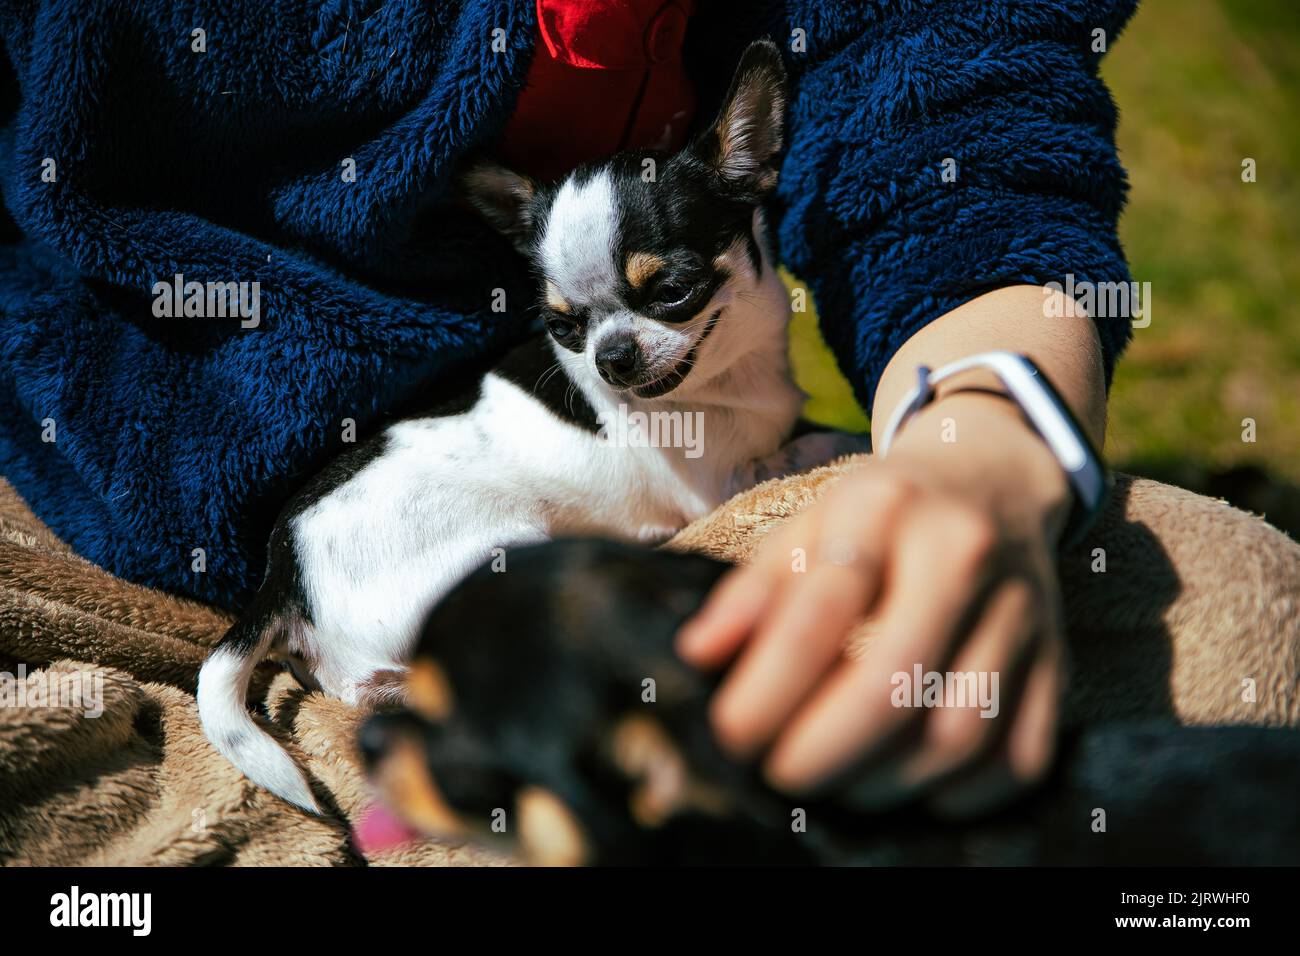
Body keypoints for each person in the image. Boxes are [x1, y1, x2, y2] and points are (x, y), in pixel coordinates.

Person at [0, 0, 1138, 816]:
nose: (619, 358)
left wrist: (981, 431)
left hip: (366, 605)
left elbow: (945, 88)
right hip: (89, 487)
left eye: (665, 299)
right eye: (573, 326)